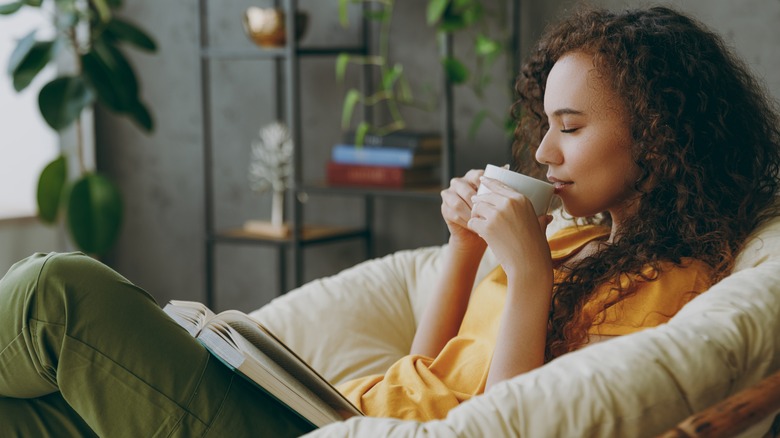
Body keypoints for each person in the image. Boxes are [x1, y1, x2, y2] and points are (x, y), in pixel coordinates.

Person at [1, 5, 778, 437]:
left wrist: (530, 273)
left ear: (659, 134)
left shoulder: (666, 283)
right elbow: (426, 366)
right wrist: (466, 250)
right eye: (545, 123)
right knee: (29, 414)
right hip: (338, 412)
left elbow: (511, 425)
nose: (542, 151)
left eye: (570, 127)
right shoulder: (579, 237)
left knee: (55, 292)